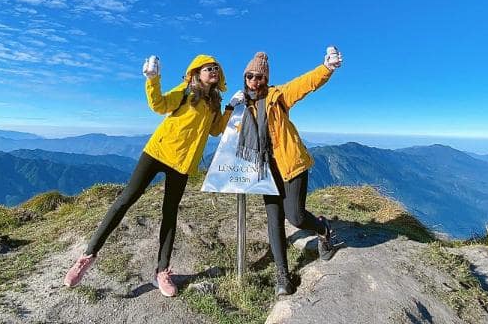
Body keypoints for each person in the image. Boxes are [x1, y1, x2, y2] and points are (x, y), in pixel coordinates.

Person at [63, 54, 233, 297]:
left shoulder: (214, 102)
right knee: (125, 200)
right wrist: (152, 79)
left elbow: (215, 131)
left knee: (170, 213)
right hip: (157, 153)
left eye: (217, 67)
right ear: (196, 72)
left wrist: (228, 109)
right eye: (209, 67)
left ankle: (162, 272)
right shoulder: (186, 91)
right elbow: (159, 105)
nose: (214, 70)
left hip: (182, 164)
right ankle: (86, 257)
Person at [228, 46, 343, 296]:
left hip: (291, 166)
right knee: (273, 221)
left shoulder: (278, 96)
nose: (254, 81)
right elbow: (224, 133)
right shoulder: (242, 106)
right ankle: (283, 275)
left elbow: (305, 84)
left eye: (259, 77)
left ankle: (323, 228)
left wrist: (327, 68)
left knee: (296, 217)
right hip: (264, 171)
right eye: (250, 76)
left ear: (266, 79)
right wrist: (231, 108)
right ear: (245, 78)